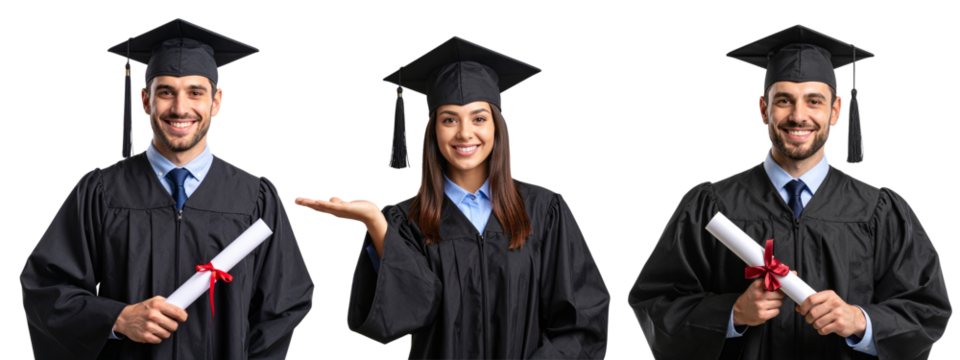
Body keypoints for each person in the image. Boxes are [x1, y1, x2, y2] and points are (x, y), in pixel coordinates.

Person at [626, 24, 952, 360]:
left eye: (814, 101)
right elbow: (654, 303)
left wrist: (862, 321)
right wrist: (732, 313)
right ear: (763, 109)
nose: (798, 116)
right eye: (784, 100)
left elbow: (928, 311)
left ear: (836, 110)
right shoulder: (711, 206)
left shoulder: (879, 210)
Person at [292, 36, 611, 359]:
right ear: (433, 130)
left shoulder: (545, 210)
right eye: (449, 119)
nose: (464, 133)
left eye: (479, 118)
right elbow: (398, 319)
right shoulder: (406, 221)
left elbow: (583, 319)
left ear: (497, 127)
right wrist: (375, 222)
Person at [19, 18, 315, 359]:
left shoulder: (255, 198)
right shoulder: (99, 192)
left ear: (216, 102)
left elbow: (286, 301)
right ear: (144, 100)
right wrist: (116, 318)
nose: (180, 108)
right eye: (165, 92)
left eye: (195, 92)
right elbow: (45, 287)